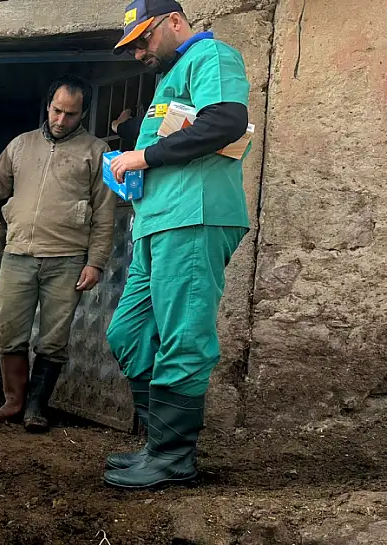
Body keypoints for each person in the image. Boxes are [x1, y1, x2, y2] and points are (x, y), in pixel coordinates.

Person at [104, 0, 251, 489]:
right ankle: (157, 443)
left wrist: (143, 155)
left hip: (194, 216)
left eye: (145, 39)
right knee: (126, 333)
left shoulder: (211, 57)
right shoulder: (170, 78)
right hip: (157, 224)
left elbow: (226, 121)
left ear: (174, 22)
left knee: (183, 338)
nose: (141, 52)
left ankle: (173, 455)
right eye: (134, 46)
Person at [0, 75, 118, 433]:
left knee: (54, 338)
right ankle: (13, 402)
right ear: (47, 106)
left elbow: (105, 213)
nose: (61, 120)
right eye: (57, 111)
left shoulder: (96, 151)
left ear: (82, 114)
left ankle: (36, 408)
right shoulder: (21, 146)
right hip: (17, 254)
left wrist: (96, 262)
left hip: (68, 258)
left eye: (71, 114)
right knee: (7, 332)